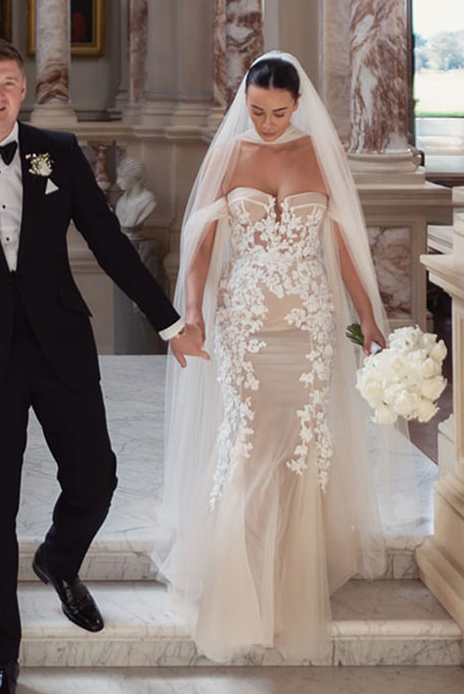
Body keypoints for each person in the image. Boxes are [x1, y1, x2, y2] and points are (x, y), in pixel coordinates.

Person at [0, 37, 203, 694]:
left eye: (10, 82)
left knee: (96, 475)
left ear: (24, 88)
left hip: (61, 343)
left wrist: (169, 323)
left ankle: (61, 560)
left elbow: (108, 242)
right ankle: (2, 658)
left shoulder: (55, 154)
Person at [155, 51, 393, 662]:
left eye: (277, 111)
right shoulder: (231, 155)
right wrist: (196, 312)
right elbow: (201, 242)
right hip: (246, 325)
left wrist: (367, 317)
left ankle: (287, 595)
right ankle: (242, 594)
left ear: (298, 105)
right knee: (250, 444)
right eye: (256, 110)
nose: (264, 122)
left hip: (309, 326)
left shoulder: (318, 154)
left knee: (298, 449)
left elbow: (341, 246)